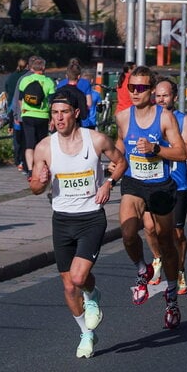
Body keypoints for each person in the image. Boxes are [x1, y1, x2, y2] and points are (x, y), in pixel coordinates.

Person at [28, 87, 127, 358]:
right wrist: (41, 181)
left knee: (79, 276)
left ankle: (93, 295)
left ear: (76, 113)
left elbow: (120, 162)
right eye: (54, 113)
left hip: (91, 218)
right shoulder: (44, 147)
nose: (58, 118)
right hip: (61, 220)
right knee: (69, 285)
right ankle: (86, 333)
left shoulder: (95, 140)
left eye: (64, 112)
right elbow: (35, 187)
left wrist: (108, 183)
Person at [114, 66, 187, 328]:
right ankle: (142, 269)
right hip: (134, 183)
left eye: (141, 88)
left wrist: (157, 149)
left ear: (152, 90)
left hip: (160, 186)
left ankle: (171, 296)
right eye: (131, 88)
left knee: (166, 243)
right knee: (127, 232)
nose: (134, 92)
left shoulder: (165, 117)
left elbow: (182, 153)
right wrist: (112, 163)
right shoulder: (123, 117)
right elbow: (121, 146)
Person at [147, 77, 187, 294]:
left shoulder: (183, 119)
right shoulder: (148, 118)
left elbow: (185, 151)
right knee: (150, 229)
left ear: (174, 97)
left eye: (165, 95)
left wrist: (159, 146)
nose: (161, 99)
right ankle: (158, 258)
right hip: (154, 182)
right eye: (158, 95)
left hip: (178, 183)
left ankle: (180, 268)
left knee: (177, 234)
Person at [18, 56, 56, 178]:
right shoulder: (49, 82)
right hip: (43, 116)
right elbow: (51, 103)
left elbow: (20, 99)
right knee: (41, 144)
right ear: (44, 68)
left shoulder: (25, 80)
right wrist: (52, 118)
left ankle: (29, 169)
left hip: (27, 115)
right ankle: (41, 167)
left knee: (29, 144)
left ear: (32, 68)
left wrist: (23, 110)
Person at [5, 58, 29, 171]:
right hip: (22, 109)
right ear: (27, 66)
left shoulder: (11, 77)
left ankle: (17, 158)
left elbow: (6, 91)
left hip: (11, 108)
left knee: (16, 135)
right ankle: (23, 160)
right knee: (25, 136)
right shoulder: (26, 77)